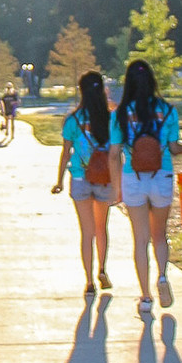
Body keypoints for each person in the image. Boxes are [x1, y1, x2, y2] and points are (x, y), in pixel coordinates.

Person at [110, 57, 182, 314]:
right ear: (152, 81)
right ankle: (162, 276)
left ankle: (146, 297)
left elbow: (113, 153)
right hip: (162, 176)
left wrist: (116, 186)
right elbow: (174, 148)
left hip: (133, 178)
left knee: (140, 240)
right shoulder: (168, 110)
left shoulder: (120, 115)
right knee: (159, 235)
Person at [51, 68, 115, 300]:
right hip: (104, 178)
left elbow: (65, 153)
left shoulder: (73, 120)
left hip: (79, 178)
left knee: (86, 232)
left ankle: (88, 280)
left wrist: (59, 180)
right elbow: (117, 153)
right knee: (101, 229)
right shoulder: (110, 119)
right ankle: (102, 269)